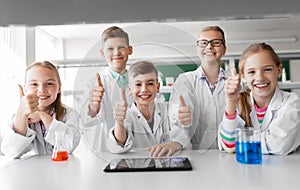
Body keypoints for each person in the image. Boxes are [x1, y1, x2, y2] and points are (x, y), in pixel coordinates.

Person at [218, 43, 300, 155]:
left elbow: (279, 144)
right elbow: (229, 145)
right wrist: (231, 99)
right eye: (251, 72)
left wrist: (240, 141)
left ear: (279, 70)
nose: (260, 78)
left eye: (267, 69)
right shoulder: (237, 104)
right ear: (243, 76)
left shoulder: (292, 102)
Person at [107, 61, 189, 157]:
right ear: (129, 89)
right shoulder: (127, 115)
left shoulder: (168, 109)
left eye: (150, 83)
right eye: (138, 84)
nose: (144, 89)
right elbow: (118, 145)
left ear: (157, 87)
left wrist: (175, 144)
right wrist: (119, 122)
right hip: (137, 169)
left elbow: (183, 136)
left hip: (167, 168)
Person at [1, 61, 81, 158]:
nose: (42, 90)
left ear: (59, 87)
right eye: (34, 84)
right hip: (30, 171)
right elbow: (11, 152)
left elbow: (69, 145)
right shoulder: (18, 116)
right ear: (25, 88)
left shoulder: (69, 114)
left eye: (49, 83)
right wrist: (22, 115)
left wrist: (42, 116)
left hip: (61, 170)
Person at [168, 26, 227, 150]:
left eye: (216, 42)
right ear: (197, 49)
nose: (209, 47)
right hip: (197, 155)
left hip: (231, 154)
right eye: (203, 43)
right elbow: (176, 113)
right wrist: (180, 115)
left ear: (224, 49)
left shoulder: (236, 82)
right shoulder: (185, 80)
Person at [79, 26, 134, 152]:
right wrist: (94, 107)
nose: (116, 53)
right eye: (110, 49)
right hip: (104, 148)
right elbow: (85, 121)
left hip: (136, 146)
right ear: (102, 53)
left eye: (121, 47)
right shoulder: (94, 83)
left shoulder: (139, 81)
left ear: (130, 50)